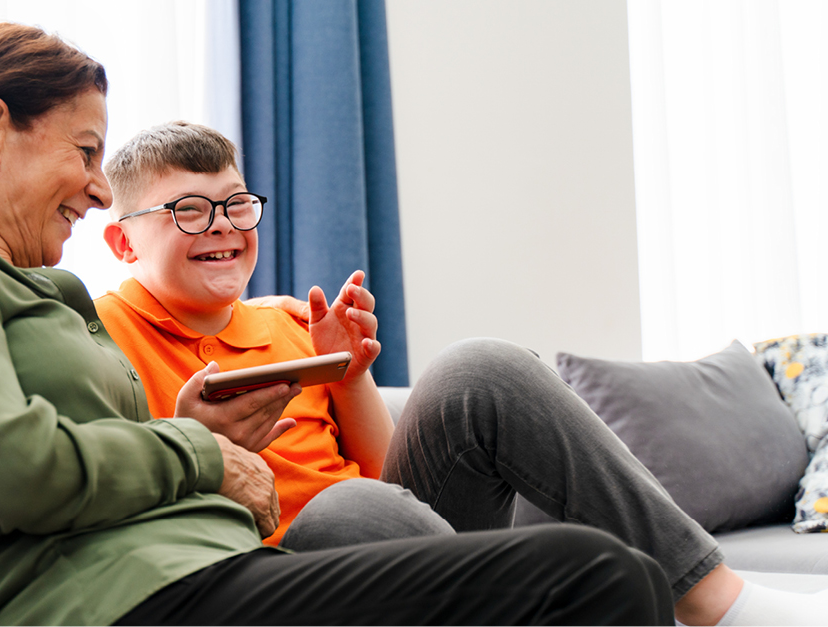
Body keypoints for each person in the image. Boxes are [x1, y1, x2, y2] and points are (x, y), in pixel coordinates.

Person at [0, 22, 673, 625]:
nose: (98, 184)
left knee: (581, 545)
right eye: (85, 151)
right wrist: (203, 450)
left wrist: (198, 439)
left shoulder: (49, 297)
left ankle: (707, 584)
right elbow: (17, 468)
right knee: (595, 577)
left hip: (205, 569)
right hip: (111, 602)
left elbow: (132, 466)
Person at [93, 121, 827, 626]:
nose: (222, 224)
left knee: (481, 367)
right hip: (278, 577)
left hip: (402, 540)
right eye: (189, 210)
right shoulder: (100, 337)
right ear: (124, 241)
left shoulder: (290, 320)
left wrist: (349, 374)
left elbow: (390, 477)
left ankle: (715, 598)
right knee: (347, 509)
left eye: (236, 204)